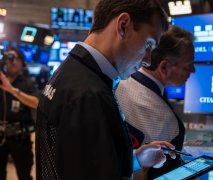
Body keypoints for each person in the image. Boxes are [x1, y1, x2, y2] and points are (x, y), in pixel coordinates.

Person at [35, 0, 176, 179]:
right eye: (148, 45)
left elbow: (81, 163)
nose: (148, 60)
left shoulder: (70, 71)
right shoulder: (90, 94)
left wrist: (135, 158)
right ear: (123, 25)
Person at [116, 25, 195, 179]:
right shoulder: (169, 124)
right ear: (164, 67)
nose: (193, 70)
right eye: (188, 64)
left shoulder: (119, 81)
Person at [0, 46, 39, 180]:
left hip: (20, 138)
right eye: (9, 57)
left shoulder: (28, 83)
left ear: (22, 62)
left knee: (24, 174)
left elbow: (37, 103)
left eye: (16, 58)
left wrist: (12, 90)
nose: (12, 61)